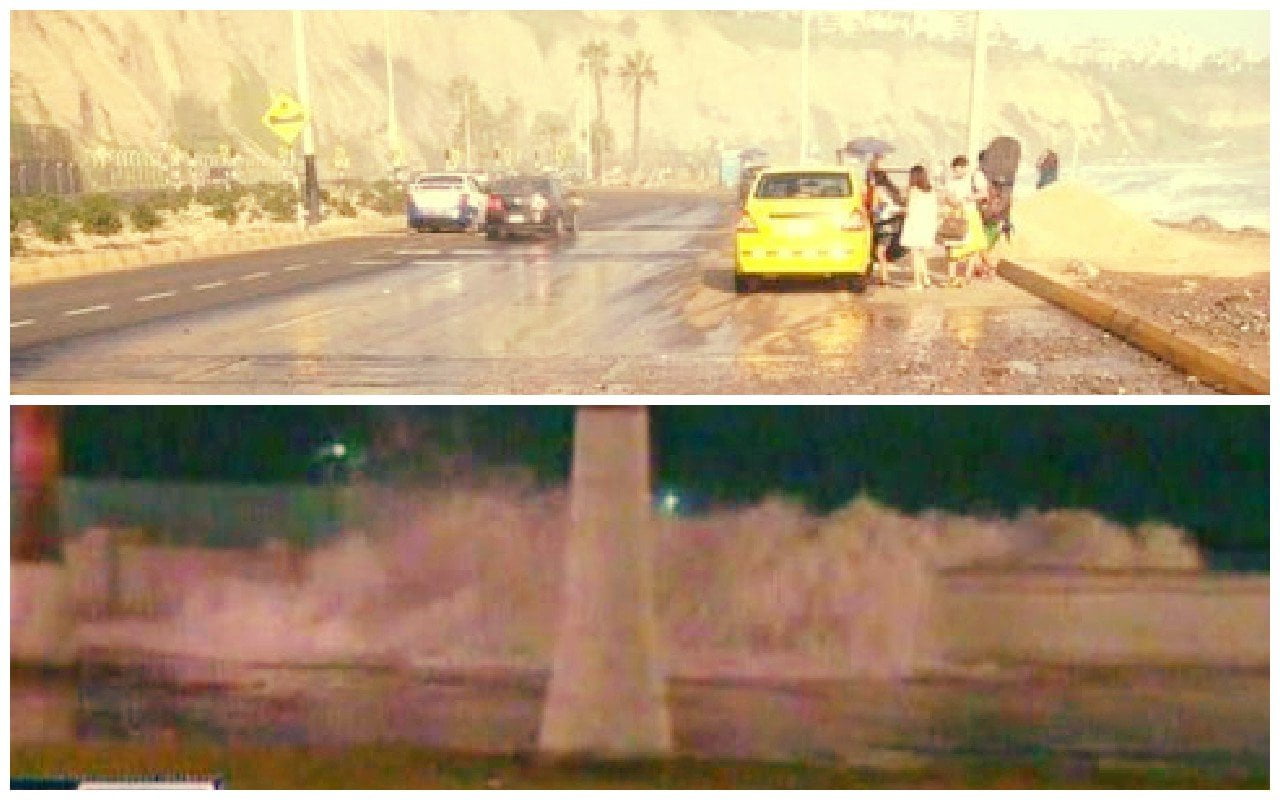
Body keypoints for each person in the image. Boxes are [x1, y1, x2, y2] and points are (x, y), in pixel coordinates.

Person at [941, 155, 988, 286]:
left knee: (973, 246)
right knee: (953, 245)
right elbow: (946, 196)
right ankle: (952, 277)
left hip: (971, 213)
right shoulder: (951, 181)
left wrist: (969, 198)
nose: (956, 172)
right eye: (954, 170)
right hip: (956, 214)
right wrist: (952, 201)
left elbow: (984, 193)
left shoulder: (975, 177)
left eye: (958, 169)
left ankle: (968, 275)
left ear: (965, 167)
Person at [899, 165, 939, 290]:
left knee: (916, 255)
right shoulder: (931, 190)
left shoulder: (913, 190)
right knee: (922, 254)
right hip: (927, 224)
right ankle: (926, 278)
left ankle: (917, 283)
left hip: (915, 224)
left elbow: (908, 206)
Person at [868, 165, 904, 285]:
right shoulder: (892, 189)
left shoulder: (877, 190)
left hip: (882, 224)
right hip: (893, 224)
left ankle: (884, 278)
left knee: (879, 252)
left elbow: (874, 207)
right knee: (882, 251)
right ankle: (883, 277)